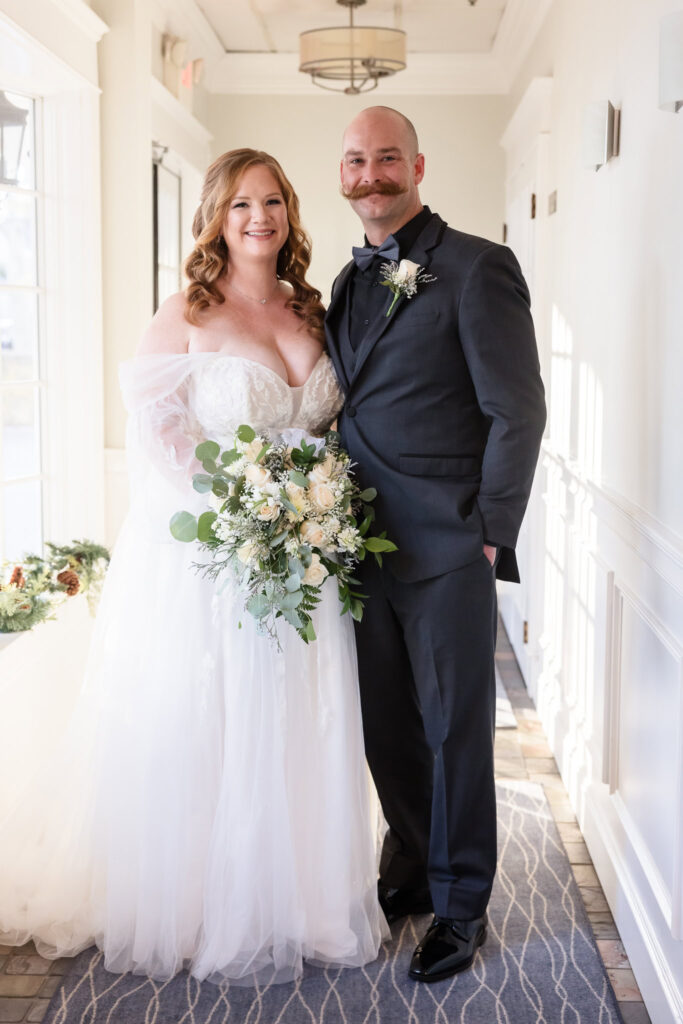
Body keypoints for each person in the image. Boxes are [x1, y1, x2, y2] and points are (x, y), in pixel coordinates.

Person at [0, 148, 386, 984]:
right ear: (215, 217)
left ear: (290, 212)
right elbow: (160, 433)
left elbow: (334, 427)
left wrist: (306, 508)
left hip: (306, 552)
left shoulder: (315, 309)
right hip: (212, 554)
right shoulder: (183, 312)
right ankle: (198, 900)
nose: (260, 216)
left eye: (274, 200)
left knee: (297, 716)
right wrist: (245, 507)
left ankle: (300, 900)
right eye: (242, 203)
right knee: (211, 716)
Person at [325, 106, 546, 983]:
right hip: (357, 543)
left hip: (451, 544)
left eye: (386, 158)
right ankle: (411, 867)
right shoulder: (345, 282)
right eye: (354, 161)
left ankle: (460, 905)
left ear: (416, 164)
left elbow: (515, 409)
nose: (370, 174)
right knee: (388, 730)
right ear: (341, 175)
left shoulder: (476, 267)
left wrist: (491, 533)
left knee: (456, 730)